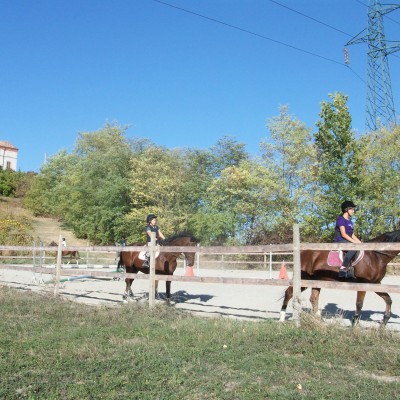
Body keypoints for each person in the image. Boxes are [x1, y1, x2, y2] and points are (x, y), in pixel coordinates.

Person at [334, 201, 362, 277]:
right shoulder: (341, 219)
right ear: (346, 209)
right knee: (354, 247)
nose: (353, 211)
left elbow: (352, 234)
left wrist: (360, 242)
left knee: (359, 246)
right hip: (340, 240)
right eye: (352, 209)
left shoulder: (350, 221)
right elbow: (343, 234)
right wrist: (354, 243)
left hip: (347, 240)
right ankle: (343, 268)